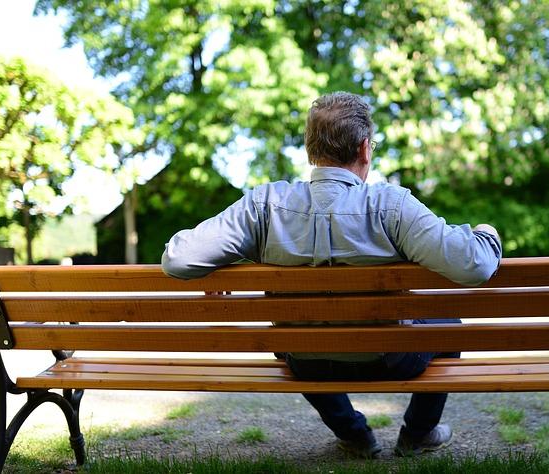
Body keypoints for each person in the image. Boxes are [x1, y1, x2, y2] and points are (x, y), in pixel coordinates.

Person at [162, 91, 502, 458]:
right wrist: (487, 233)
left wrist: (231, 260)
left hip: (305, 362)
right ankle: (418, 434)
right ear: (364, 149)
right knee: (449, 324)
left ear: (311, 150)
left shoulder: (263, 206)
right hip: (389, 359)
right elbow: (475, 264)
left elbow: (179, 259)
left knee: (303, 338)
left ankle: (355, 435)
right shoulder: (391, 205)